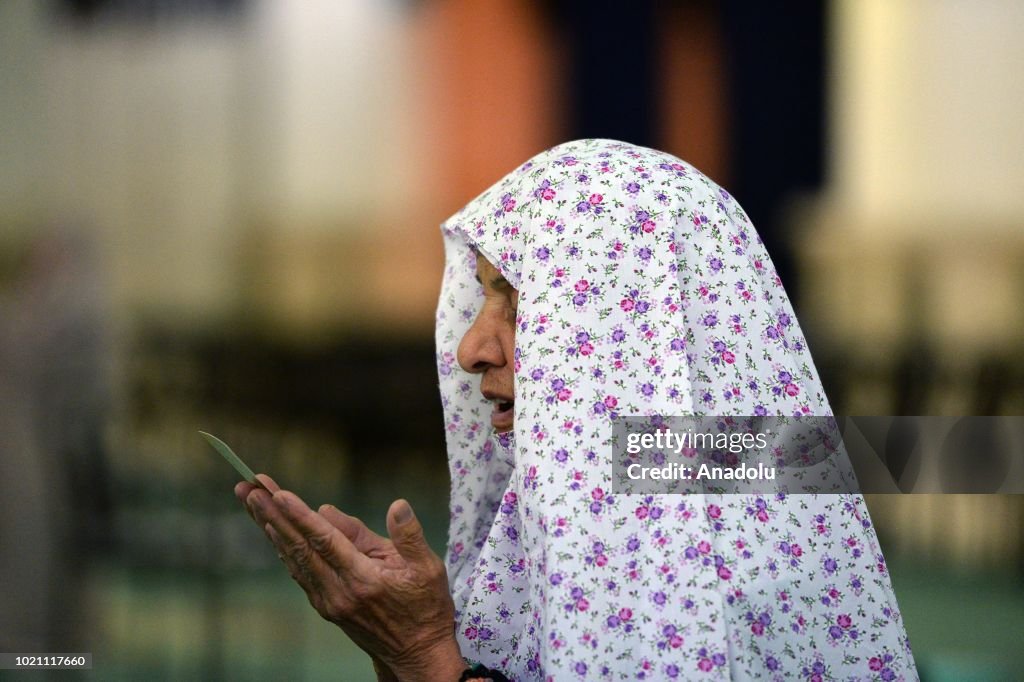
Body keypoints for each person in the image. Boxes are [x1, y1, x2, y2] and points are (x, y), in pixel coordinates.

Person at [237, 139, 917, 681]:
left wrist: (424, 653)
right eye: (482, 302)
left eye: (523, 301)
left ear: (635, 336)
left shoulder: (735, 566)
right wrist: (406, 636)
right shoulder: (590, 500)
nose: (473, 347)